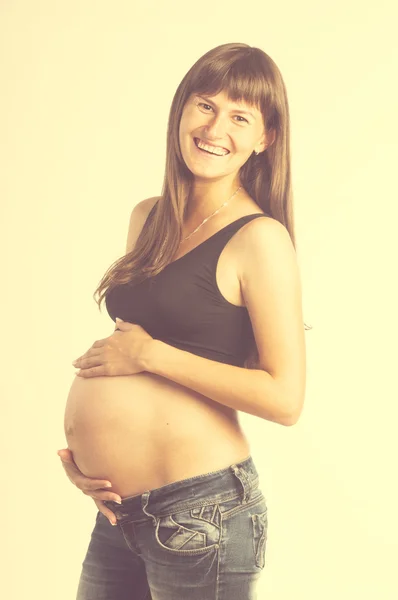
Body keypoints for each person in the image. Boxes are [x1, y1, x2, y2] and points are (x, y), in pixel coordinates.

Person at [58, 42, 307, 600]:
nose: (216, 127)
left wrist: (149, 356)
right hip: (119, 514)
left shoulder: (260, 239)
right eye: (205, 105)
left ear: (264, 139)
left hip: (203, 515)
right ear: (181, 112)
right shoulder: (147, 217)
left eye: (240, 117)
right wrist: (93, 464)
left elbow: (285, 399)